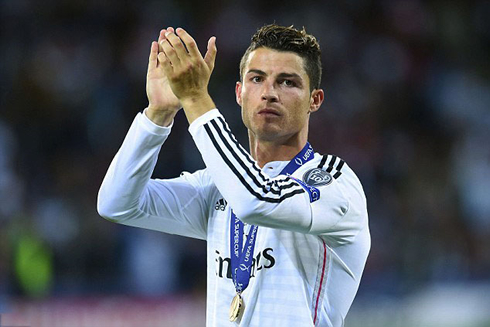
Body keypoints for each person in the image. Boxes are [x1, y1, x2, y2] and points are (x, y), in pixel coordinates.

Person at [98, 24, 370, 326]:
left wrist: (195, 99)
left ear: (315, 100)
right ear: (240, 93)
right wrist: (157, 114)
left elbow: (256, 200)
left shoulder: (334, 183)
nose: (269, 94)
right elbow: (116, 203)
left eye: (288, 82)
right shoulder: (216, 186)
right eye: (257, 79)